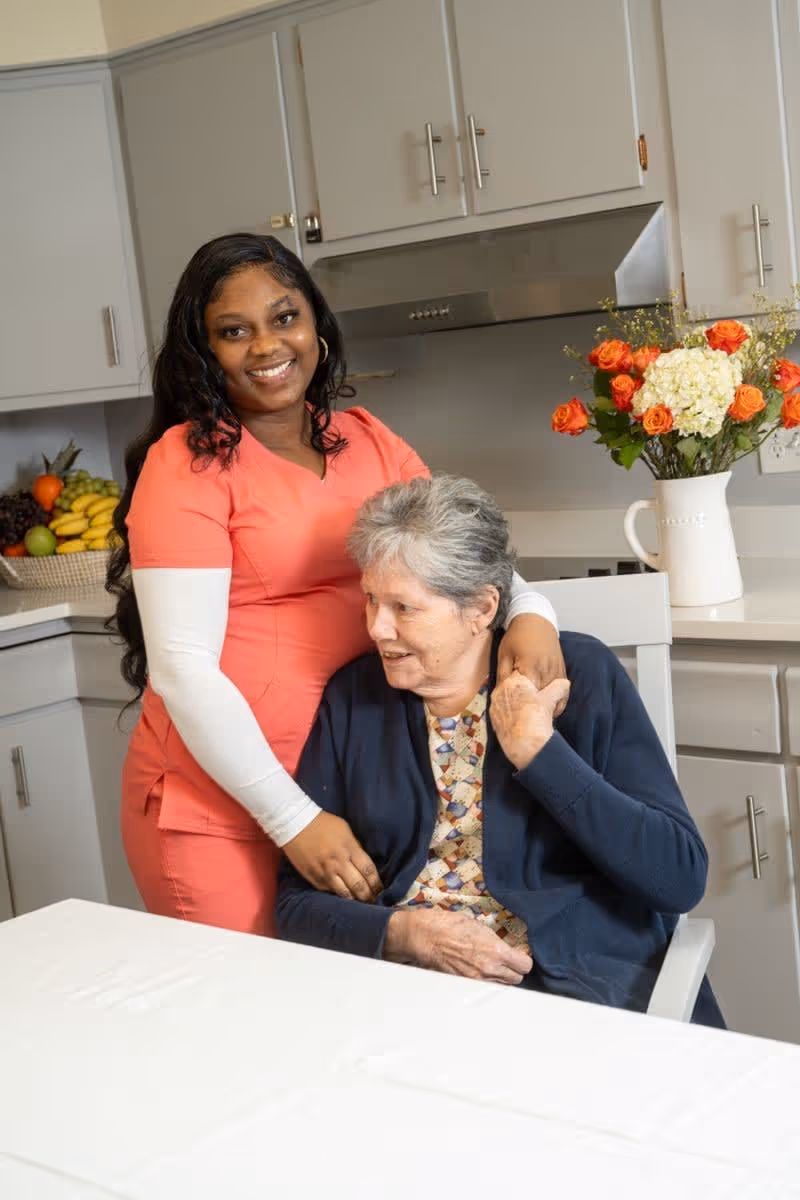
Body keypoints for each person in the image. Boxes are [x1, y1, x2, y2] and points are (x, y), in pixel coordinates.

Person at [108, 233, 564, 937]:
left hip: (360, 792)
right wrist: (294, 820)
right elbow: (181, 670)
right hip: (225, 811)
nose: (266, 346)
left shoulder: (368, 441)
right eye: (234, 332)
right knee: (254, 1021)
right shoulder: (188, 465)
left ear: (316, 325)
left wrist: (532, 612)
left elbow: (465, 555)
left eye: (284, 318)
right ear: (205, 353)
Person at [276, 475, 724, 1025]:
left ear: (482, 608)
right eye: (371, 599)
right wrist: (404, 933)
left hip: (571, 1002)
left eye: (404, 608)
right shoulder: (353, 698)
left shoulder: (580, 674)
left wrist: (539, 753)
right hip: (403, 1001)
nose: (376, 628)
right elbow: (294, 904)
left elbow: (677, 877)